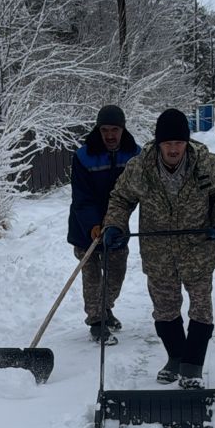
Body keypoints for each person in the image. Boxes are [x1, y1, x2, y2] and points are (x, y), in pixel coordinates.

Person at [101, 108, 215, 387]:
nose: (173, 149)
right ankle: (175, 357)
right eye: (168, 144)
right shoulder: (140, 168)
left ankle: (192, 366)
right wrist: (115, 225)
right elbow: (121, 199)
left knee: (201, 307)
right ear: (158, 144)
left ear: (186, 143)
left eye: (178, 143)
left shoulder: (205, 164)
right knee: (164, 309)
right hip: (158, 252)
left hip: (198, 247)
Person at [67, 104, 140, 343]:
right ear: (98, 130)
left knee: (116, 272)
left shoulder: (134, 154)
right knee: (92, 275)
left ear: (123, 129)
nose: (110, 135)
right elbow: (81, 197)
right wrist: (93, 225)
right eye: (105, 129)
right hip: (85, 226)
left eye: (115, 130)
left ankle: (105, 308)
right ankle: (96, 321)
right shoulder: (84, 156)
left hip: (117, 226)